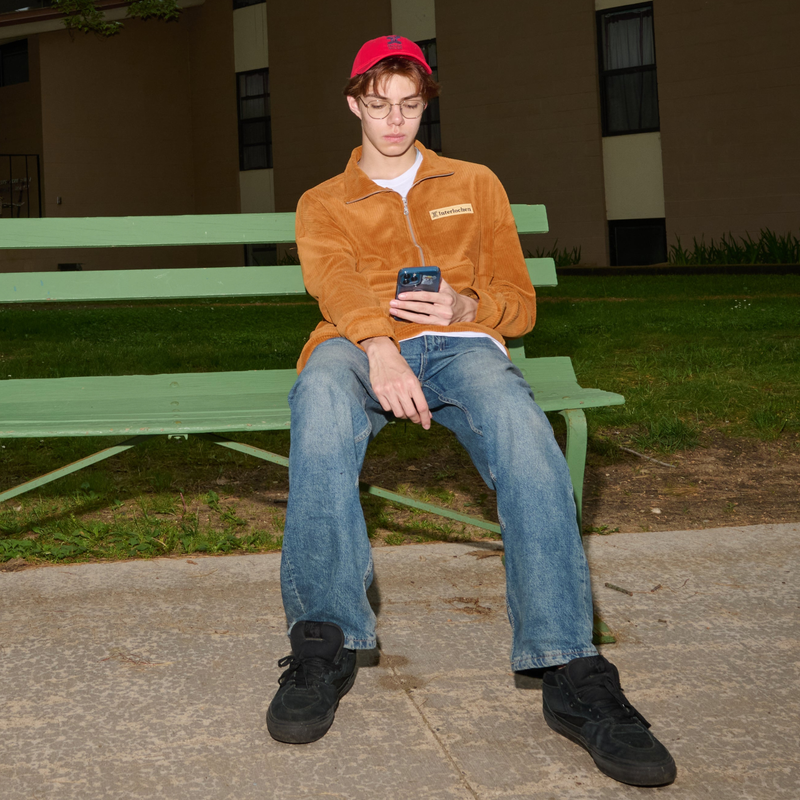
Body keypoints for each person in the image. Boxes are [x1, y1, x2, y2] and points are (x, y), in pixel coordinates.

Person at [266, 35, 676, 787]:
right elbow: (334, 284)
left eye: (410, 106)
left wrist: (465, 304)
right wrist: (381, 347)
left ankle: (569, 668)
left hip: (462, 348)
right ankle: (322, 643)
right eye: (380, 105)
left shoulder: (476, 183)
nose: (395, 122)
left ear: (426, 105)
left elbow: (519, 305)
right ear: (355, 104)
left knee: (523, 432)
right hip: (358, 345)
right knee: (321, 396)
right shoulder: (324, 201)